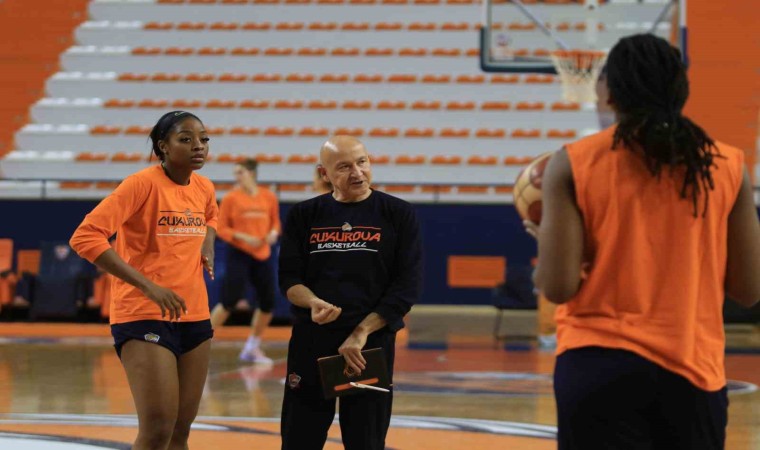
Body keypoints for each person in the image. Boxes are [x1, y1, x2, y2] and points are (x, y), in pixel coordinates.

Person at [527, 34, 760, 450]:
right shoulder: (728, 166)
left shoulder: (572, 162)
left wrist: (548, 242)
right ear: (681, 91)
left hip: (597, 365)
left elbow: (558, 287)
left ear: (609, 93)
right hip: (692, 370)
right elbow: (749, 289)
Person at [70, 111, 218, 450]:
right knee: (157, 431)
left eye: (204, 139)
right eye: (186, 139)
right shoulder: (140, 184)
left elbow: (212, 216)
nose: (198, 146)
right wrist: (148, 286)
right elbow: (85, 237)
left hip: (195, 316)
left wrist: (208, 240)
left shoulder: (204, 187)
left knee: (180, 432)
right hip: (143, 314)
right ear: (163, 146)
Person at [278, 135, 423, 450]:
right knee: (299, 440)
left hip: (368, 347)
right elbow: (289, 279)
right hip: (312, 342)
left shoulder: (398, 213)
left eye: (362, 162)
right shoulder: (304, 215)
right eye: (344, 167)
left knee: (365, 441)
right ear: (324, 173)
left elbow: (405, 288)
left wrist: (360, 333)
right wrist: (312, 302)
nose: (357, 173)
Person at [211, 158, 280, 363]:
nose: (237, 176)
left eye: (240, 172)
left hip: (263, 253)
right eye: (236, 173)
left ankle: (252, 347)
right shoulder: (231, 198)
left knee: (268, 302)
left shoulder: (268, 196)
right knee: (229, 301)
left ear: (252, 173)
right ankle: (199, 343)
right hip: (239, 252)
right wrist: (243, 237)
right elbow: (221, 228)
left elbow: (275, 222)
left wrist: (273, 233)